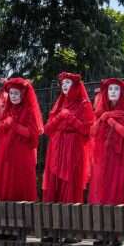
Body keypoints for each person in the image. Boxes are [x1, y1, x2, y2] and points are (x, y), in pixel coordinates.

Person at [42, 72, 94, 203]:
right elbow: (47, 129)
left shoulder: (84, 104)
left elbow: (87, 131)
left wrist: (70, 118)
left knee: (70, 184)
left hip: (73, 150)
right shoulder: (59, 104)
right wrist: (60, 116)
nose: (64, 85)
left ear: (75, 85)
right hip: (56, 149)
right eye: (63, 83)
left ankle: (70, 220)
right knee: (54, 183)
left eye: (68, 82)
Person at [0, 77, 44, 201]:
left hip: (21, 152)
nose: (13, 96)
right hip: (4, 152)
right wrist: (3, 125)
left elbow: (31, 134)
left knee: (18, 180)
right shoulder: (7, 110)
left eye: (16, 93)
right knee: (5, 179)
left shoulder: (29, 111)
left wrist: (13, 124)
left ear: (23, 94)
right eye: (11, 93)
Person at [88, 78, 124, 205]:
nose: (113, 91)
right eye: (110, 89)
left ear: (122, 92)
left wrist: (110, 120)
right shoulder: (100, 112)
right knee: (101, 190)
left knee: (117, 189)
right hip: (102, 156)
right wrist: (103, 118)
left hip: (120, 157)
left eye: (116, 89)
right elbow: (92, 132)